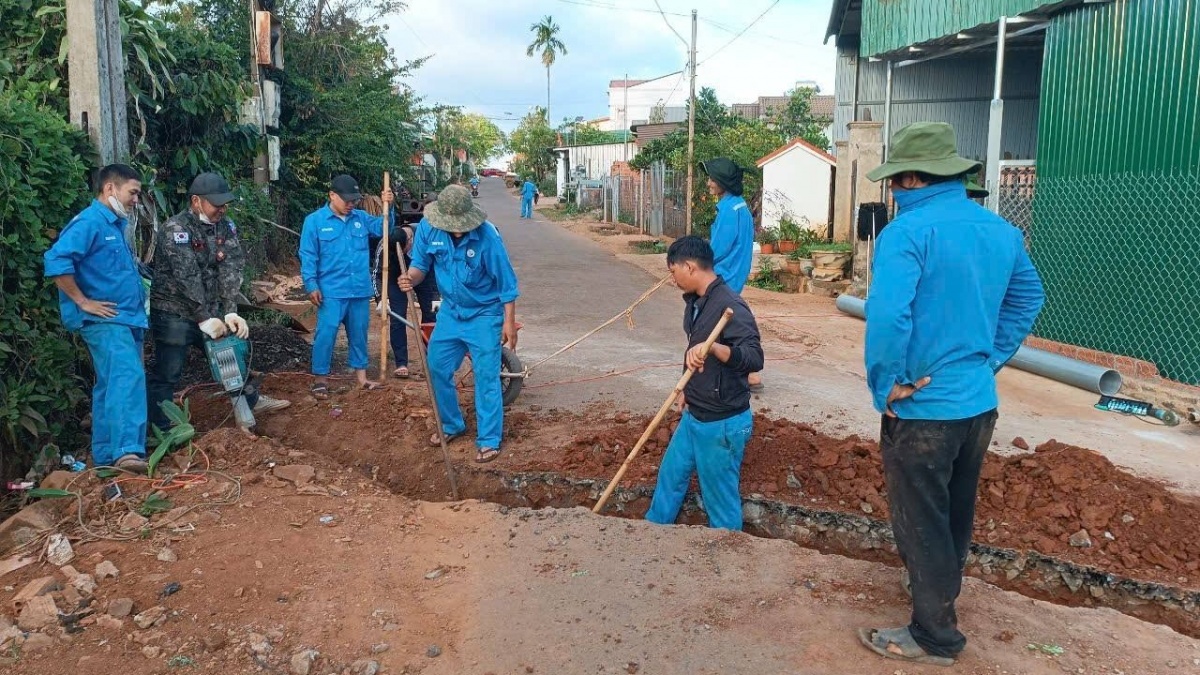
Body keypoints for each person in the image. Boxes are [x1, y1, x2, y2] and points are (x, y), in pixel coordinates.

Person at [858, 122, 1044, 666]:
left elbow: (889, 315)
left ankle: (935, 634)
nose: (892, 191)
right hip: (978, 403)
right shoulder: (1000, 230)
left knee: (920, 515)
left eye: (896, 181)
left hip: (924, 408)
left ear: (914, 178)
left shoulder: (906, 233)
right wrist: (992, 357)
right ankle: (938, 590)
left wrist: (886, 382)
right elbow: (1028, 298)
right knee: (955, 507)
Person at [147, 172, 291, 431]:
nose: (222, 209)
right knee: (168, 371)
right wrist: (203, 317)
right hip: (174, 313)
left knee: (230, 358)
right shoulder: (176, 230)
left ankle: (251, 402)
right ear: (196, 201)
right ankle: (162, 426)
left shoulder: (225, 226)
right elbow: (186, 277)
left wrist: (231, 311)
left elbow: (231, 266)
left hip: (210, 310)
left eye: (225, 203)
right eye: (217, 204)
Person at [645, 235, 764, 531]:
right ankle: (649, 534)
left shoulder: (731, 305)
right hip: (695, 413)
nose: (673, 280)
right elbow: (693, 350)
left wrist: (716, 349)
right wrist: (686, 387)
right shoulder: (696, 303)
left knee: (719, 499)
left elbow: (754, 357)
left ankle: (725, 554)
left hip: (722, 422)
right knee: (671, 477)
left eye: (673, 272)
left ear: (688, 266)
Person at [399, 185, 519, 464]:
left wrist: (509, 324)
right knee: (437, 367)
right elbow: (420, 267)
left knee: (487, 376)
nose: (455, 230)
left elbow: (507, 285)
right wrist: (410, 279)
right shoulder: (429, 228)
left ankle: (489, 439)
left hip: (485, 314)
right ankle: (452, 424)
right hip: (451, 313)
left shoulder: (488, 236)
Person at [44, 164, 150, 473]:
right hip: (106, 321)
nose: (136, 200)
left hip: (126, 319)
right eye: (133, 193)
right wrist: (82, 301)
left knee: (109, 383)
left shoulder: (114, 225)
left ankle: (106, 453)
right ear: (110, 190)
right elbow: (55, 260)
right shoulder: (90, 222)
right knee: (126, 377)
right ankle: (127, 451)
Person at [300, 174, 394, 398]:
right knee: (326, 334)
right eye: (347, 200)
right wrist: (311, 284)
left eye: (354, 200)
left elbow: (385, 229)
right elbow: (308, 255)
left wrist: (389, 207)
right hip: (331, 292)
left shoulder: (361, 218)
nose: (351, 204)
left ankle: (361, 378)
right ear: (332, 195)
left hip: (359, 291)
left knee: (359, 334)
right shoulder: (314, 222)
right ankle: (320, 380)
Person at [700, 157, 762, 392]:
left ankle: (749, 372)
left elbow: (718, 249)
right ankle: (742, 370)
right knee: (727, 321)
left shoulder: (728, 210)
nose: (708, 183)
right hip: (735, 274)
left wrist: (694, 261)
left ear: (722, 182)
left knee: (718, 322)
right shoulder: (740, 206)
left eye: (711, 179)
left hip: (723, 275)